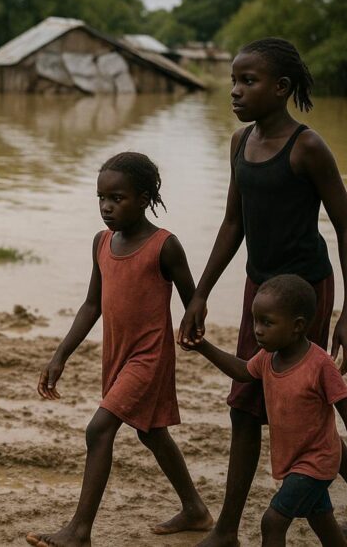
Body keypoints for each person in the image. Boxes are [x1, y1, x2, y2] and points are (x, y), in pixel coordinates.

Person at [178, 37, 347, 546]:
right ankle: (229, 529)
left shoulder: (307, 147)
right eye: (233, 80)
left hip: (304, 294)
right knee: (247, 403)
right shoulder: (239, 143)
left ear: (282, 87)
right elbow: (233, 223)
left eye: (248, 81)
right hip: (261, 291)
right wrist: (200, 294)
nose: (235, 90)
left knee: (301, 402)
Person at [26, 152, 213, 547]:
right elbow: (91, 305)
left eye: (117, 198)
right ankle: (195, 509)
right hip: (116, 354)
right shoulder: (102, 243)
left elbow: (193, 302)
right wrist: (60, 355)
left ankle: (79, 531)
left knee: (99, 429)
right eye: (101, 198)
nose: (106, 207)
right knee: (152, 434)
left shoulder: (164, 246)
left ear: (143, 199)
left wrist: (194, 330)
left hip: (149, 357)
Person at [188, 274, 347, 547]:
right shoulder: (269, 357)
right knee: (322, 520)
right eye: (255, 321)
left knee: (273, 521)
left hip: (317, 461)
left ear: (297, 326)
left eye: (267, 322)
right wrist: (203, 347)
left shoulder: (319, 365)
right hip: (293, 460)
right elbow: (242, 371)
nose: (257, 330)